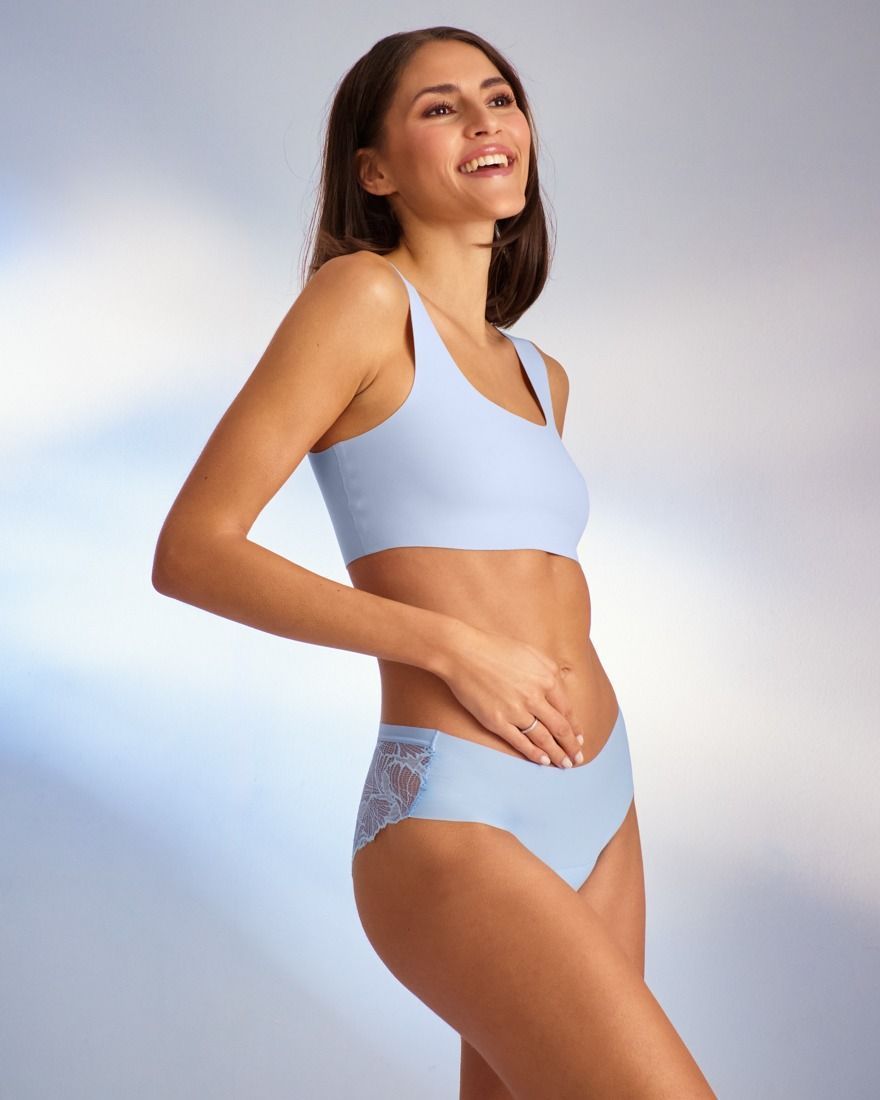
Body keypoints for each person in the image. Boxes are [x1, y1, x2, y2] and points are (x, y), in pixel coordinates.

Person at [152, 25, 717, 1100]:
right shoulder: (361, 301)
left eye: (498, 98)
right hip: (455, 809)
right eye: (440, 107)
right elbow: (192, 550)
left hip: (602, 798)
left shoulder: (541, 375)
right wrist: (455, 648)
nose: (484, 121)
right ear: (375, 171)